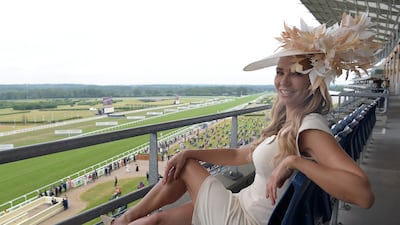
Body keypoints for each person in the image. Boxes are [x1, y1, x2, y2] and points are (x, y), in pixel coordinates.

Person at [101, 12, 376, 225]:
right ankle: (125, 220)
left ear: (312, 82)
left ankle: (122, 219)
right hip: (241, 204)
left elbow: (363, 194)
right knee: (156, 220)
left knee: (185, 167)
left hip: (247, 219)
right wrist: (190, 150)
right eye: (280, 71)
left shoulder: (310, 128)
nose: (283, 80)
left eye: (295, 72)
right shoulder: (289, 123)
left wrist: (295, 161)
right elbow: (238, 155)